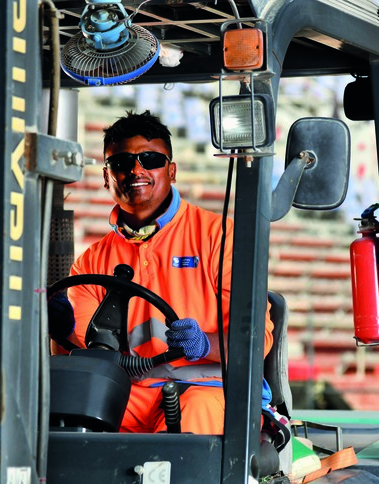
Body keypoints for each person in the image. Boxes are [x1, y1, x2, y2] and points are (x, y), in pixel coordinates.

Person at [49, 110, 274, 435]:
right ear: (106, 176)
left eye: (150, 158)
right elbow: (90, 353)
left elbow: (256, 339)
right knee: (71, 415)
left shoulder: (221, 237)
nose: (136, 170)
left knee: (193, 412)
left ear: (171, 170)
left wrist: (204, 343)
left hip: (207, 389)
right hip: (130, 393)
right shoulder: (91, 263)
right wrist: (64, 329)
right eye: (122, 162)